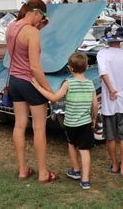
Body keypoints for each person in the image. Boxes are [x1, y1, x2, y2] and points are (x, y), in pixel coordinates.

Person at [6, 0, 59, 183]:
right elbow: (35, 67)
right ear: (36, 12)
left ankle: (22, 170)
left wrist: (39, 27)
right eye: (41, 17)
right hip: (30, 82)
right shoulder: (32, 32)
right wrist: (49, 89)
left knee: (19, 126)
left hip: (14, 81)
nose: (40, 21)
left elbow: (22, 42)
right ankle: (43, 173)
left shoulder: (11, 27)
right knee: (38, 128)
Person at [32, 53, 97, 189]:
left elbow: (54, 98)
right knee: (85, 150)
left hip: (71, 123)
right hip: (85, 123)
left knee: (72, 144)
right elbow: (95, 105)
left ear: (69, 68)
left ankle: (75, 170)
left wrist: (38, 87)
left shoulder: (68, 83)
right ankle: (85, 180)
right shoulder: (91, 84)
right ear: (86, 67)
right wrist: (94, 118)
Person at [97, 26, 123, 176]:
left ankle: (114, 165)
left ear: (107, 40)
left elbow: (103, 73)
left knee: (111, 135)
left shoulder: (102, 54)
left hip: (109, 101)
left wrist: (111, 89)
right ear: (121, 41)